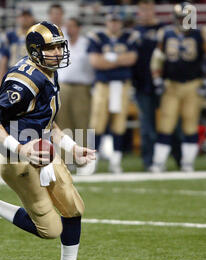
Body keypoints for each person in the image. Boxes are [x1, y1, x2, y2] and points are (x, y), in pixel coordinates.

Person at [0, 21, 99, 260]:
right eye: (52, 48)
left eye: (60, 46)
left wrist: (72, 147)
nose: (58, 53)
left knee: (73, 206)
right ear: (36, 51)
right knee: (50, 229)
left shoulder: (48, 70)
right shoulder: (24, 83)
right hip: (17, 159)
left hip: (41, 150)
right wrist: (21, 148)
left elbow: (46, 120)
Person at [149, 2, 206, 173]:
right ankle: (159, 163)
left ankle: (188, 163)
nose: (183, 21)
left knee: (190, 124)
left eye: (186, 17)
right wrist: (157, 77)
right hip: (171, 85)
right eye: (181, 17)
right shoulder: (165, 34)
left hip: (193, 84)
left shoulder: (199, 34)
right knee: (166, 124)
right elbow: (157, 58)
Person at [83, 12, 138, 174]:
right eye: (111, 21)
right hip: (103, 85)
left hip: (122, 86)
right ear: (106, 23)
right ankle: (91, 163)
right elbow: (96, 62)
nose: (114, 25)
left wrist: (110, 59)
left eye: (117, 21)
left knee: (119, 124)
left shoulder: (130, 37)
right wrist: (120, 60)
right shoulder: (97, 37)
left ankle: (116, 162)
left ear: (121, 23)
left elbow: (132, 59)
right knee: (96, 123)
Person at [132, 0, 166, 170]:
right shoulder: (134, 32)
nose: (145, 12)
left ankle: (178, 159)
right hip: (142, 85)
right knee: (147, 126)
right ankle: (149, 161)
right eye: (142, 10)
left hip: (164, 84)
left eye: (148, 9)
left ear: (154, 10)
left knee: (170, 124)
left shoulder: (164, 30)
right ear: (139, 12)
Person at [56, 17, 94, 150]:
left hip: (81, 87)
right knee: (63, 122)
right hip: (63, 86)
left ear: (78, 28)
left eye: (72, 26)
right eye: (67, 26)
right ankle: (66, 157)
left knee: (82, 122)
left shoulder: (87, 43)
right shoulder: (60, 43)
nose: (69, 29)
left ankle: (83, 155)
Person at [0, 7, 36, 98]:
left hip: (32, 78)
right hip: (13, 77)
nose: (25, 19)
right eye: (22, 16)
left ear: (32, 18)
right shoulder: (9, 35)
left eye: (27, 16)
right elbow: (3, 61)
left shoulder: (37, 36)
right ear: (18, 18)